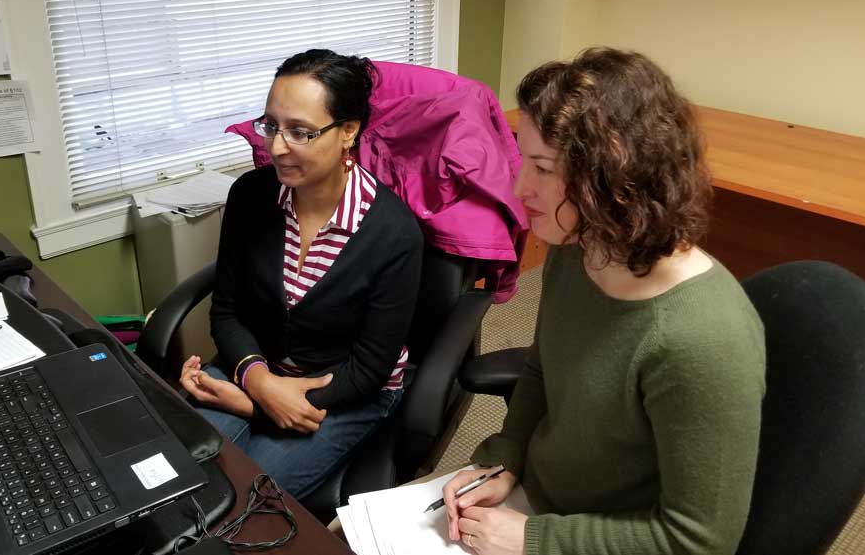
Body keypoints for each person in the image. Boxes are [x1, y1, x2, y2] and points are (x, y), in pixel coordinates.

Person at [441, 48, 766, 555]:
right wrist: (506, 455)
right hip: (537, 500)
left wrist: (534, 540)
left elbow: (698, 540)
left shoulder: (703, 339)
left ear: (613, 178)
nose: (518, 186)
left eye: (542, 168)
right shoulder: (580, 247)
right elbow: (542, 369)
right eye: (522, 159)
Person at [178, 49, 423, 500]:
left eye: (300, 132)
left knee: (245, 501)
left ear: (349, 131)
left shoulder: (393, 232)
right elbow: (228, 312)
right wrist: (257, 383)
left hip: (344, 393)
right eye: (270, 125)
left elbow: (370, 369)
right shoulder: (251, 196)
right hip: (258, 370)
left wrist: (254, 406)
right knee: (175, 468)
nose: (275, 147)